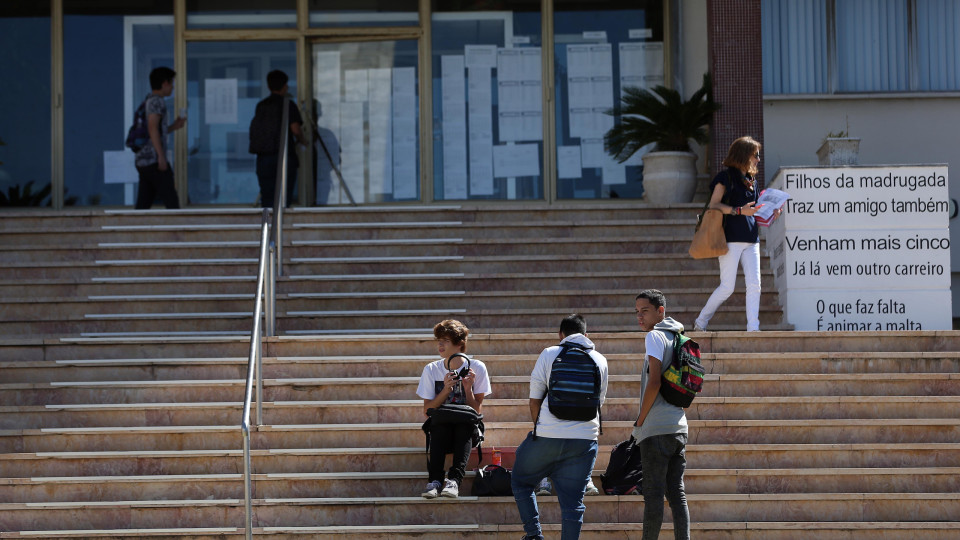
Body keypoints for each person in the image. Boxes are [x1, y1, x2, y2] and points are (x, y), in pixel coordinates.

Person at [512, 313, 609, 540]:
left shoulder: (550, 353)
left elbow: (534, 400)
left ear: (560, 335)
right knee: (573, 503)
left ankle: (534, 535)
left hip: (547, 434)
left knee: (520, 481)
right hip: (585, 438)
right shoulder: (600, 359)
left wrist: (541, 429)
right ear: (586, 335)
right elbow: (599, 402)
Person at [694, 136, 780, 332]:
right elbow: (714, 205)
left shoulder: (752, 181)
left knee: (755, 285)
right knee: (727, 287)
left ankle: (753, 328)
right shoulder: (726, 178)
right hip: (730, 238)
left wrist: (772, 213)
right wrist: (739, 210)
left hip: (751, 239)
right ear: (744, 155)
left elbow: (755, 212)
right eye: (755, 155)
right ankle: (700, 322)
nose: (758, 159)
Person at [634, 289, 690, 540]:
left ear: (661, 311)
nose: (640, 317)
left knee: (654, 494)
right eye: (637, 312)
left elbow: (654, 383)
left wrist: (640, 421)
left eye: (645, 311)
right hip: (678, 426)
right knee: (677, 494)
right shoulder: (679, 336)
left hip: (656, 429)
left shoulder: (655, 337)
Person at [416, 319, 491, 499]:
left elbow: (476, 412)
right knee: (439, 424)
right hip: (441, 428)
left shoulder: (477, 367)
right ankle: (434, 481)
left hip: (465, 430)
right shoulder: (432, 369)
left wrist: (467, 388)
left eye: (445, 341)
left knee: (464, 425)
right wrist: (446, 390)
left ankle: (454, 481)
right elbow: (427, 410)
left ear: (459, 344)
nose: (440, 345)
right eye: (438, 340)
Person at [249, 69, 303, 208]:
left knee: (267, 198)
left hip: (264, 157)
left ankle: (266, 226)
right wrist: (304, 141)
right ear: (284, 86)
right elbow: (296, 130)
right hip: (284, 157)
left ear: (268, 86)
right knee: (283, 199)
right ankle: (282, 228)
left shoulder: (261, 106)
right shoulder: (288, 104)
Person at [135, 67, 185, 209]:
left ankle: (135, 228)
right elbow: (152, 128)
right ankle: (177, 229)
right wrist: (161, 157)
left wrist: (173, 127)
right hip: (153, 160)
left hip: (143, 159)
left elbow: (155, 130)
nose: (173, 87)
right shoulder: (157, 101)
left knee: (143, 203)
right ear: (164, 83)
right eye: (171, 83)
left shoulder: (148, 101)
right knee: (171, 200)